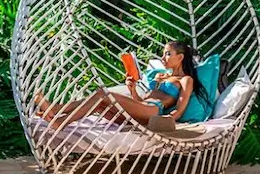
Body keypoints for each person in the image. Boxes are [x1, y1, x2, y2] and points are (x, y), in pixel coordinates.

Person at [38, 39, 210, 128]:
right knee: (100, 105)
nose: (163, 58)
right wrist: (132, 88)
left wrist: (168, 121)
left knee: (104, 95)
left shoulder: (185, 79)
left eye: (167, 54)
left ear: (180, 57)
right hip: (141, 108)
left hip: (153, 112)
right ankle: (58, 116)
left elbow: (180, 108)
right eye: (163, 54)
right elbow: (140, 99)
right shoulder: (160, 75)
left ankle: (57, 113)